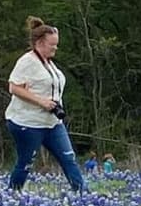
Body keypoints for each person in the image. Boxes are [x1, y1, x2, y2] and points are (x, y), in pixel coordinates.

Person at [5, 17, 87, 192]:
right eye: (53, 44)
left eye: (56, 44)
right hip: (27, 122)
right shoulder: (27, 61)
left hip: (52, 123)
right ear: (40, 43)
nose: (56, 47)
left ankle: (82, 194)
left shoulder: (49, 64)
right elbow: (13, 87)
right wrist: (41, 101)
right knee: (26, 162)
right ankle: (12, 194)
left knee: (68, 158)